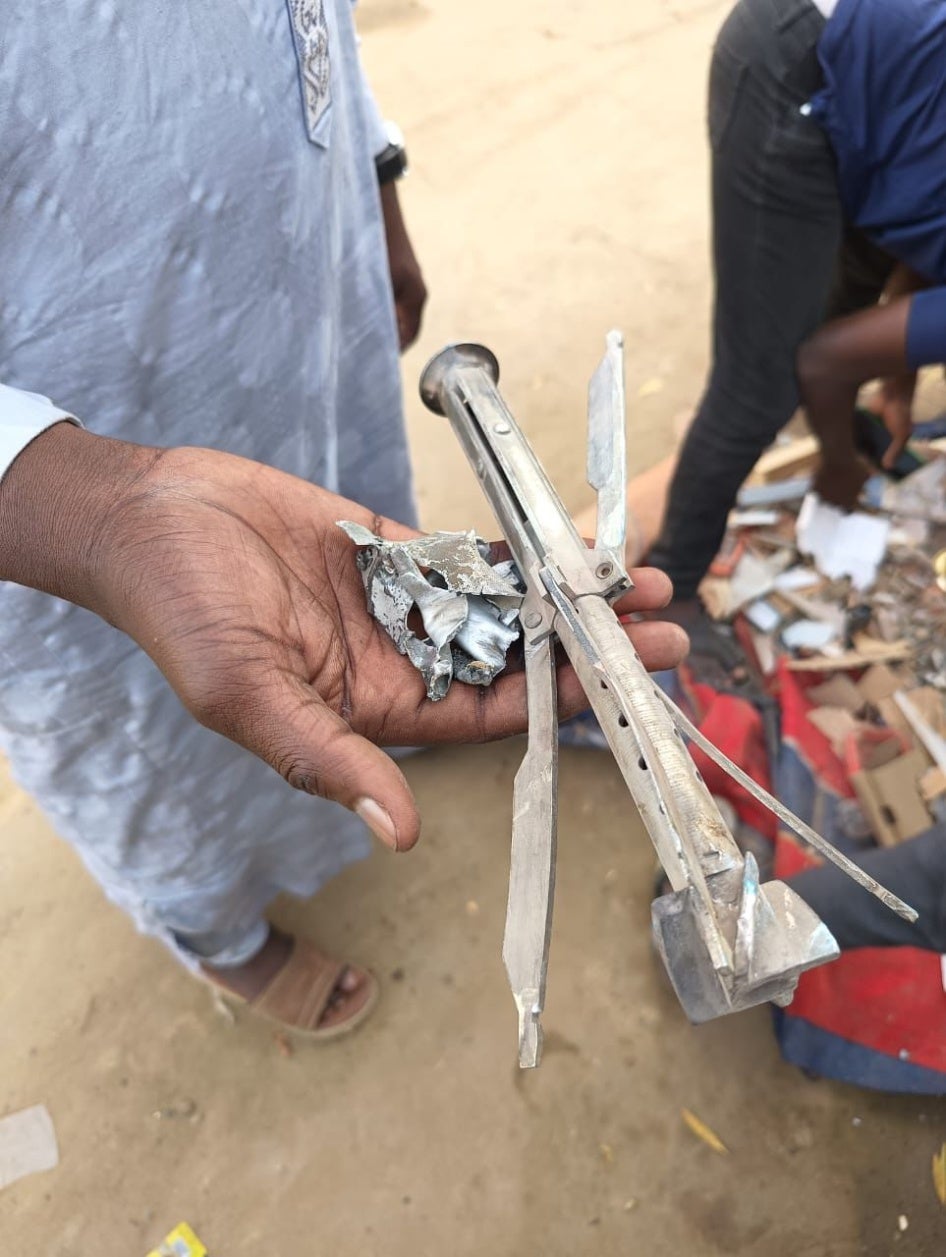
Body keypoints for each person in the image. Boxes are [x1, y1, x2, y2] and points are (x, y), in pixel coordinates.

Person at [0, 2, 687, 1037]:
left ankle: (408, 699)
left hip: (296, 290)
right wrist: (94, 515)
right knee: (153, 720)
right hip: (53, 465)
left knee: (344, 578)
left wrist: (372, 185)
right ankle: (220, 929)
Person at [647, 0, 946, 628]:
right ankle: (669, 594)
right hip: (795, 60)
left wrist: (898, 378)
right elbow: (825, 360)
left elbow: (931, 228)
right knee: (760, 385)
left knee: (846, 302)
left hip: (885, 80)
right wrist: (837, 464)